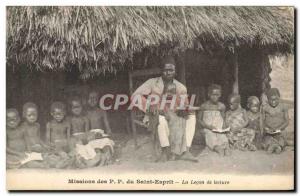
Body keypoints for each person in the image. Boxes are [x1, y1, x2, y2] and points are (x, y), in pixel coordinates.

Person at [132, 56, 197, 162]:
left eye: (171, 70)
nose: (168, 73)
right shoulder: (152, 82)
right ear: (161, 71)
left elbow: (185, 105)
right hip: (156, 113)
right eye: (165, 70)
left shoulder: (180, 87)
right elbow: (135, 96)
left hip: (173, 115)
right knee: (160, 117)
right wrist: (149, 105)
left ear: (175, 71)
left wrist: (184, 109)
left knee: (191, 116)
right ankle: (165, 150)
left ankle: (186, 151)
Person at [198, 84, 230, 156]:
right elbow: (199, 120)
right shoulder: (204, 106)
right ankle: (217, 148)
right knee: (210, 136)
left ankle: (226, 148)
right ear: (209, 94)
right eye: (213, 95)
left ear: (220, 95)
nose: (215, 97)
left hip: (218, 128)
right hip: (208, 128)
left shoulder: (221, 106)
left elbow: (223, 118)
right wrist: (208, 127)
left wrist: (224, 127)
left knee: (222, 136)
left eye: (217, 95)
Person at [261, 88, 289, 154]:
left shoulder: (283, 106)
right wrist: (266, 129)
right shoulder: (265, 107)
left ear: (279, 97)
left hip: (280, 131)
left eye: (276, 99)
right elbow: (263, 120)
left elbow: (287, 121)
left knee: (281, 139)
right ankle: (272, 146)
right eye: (271, 100)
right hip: (269, 132)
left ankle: (278, 147)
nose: (273, 102)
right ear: (268, 99)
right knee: (267, 139)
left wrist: (279, 128)